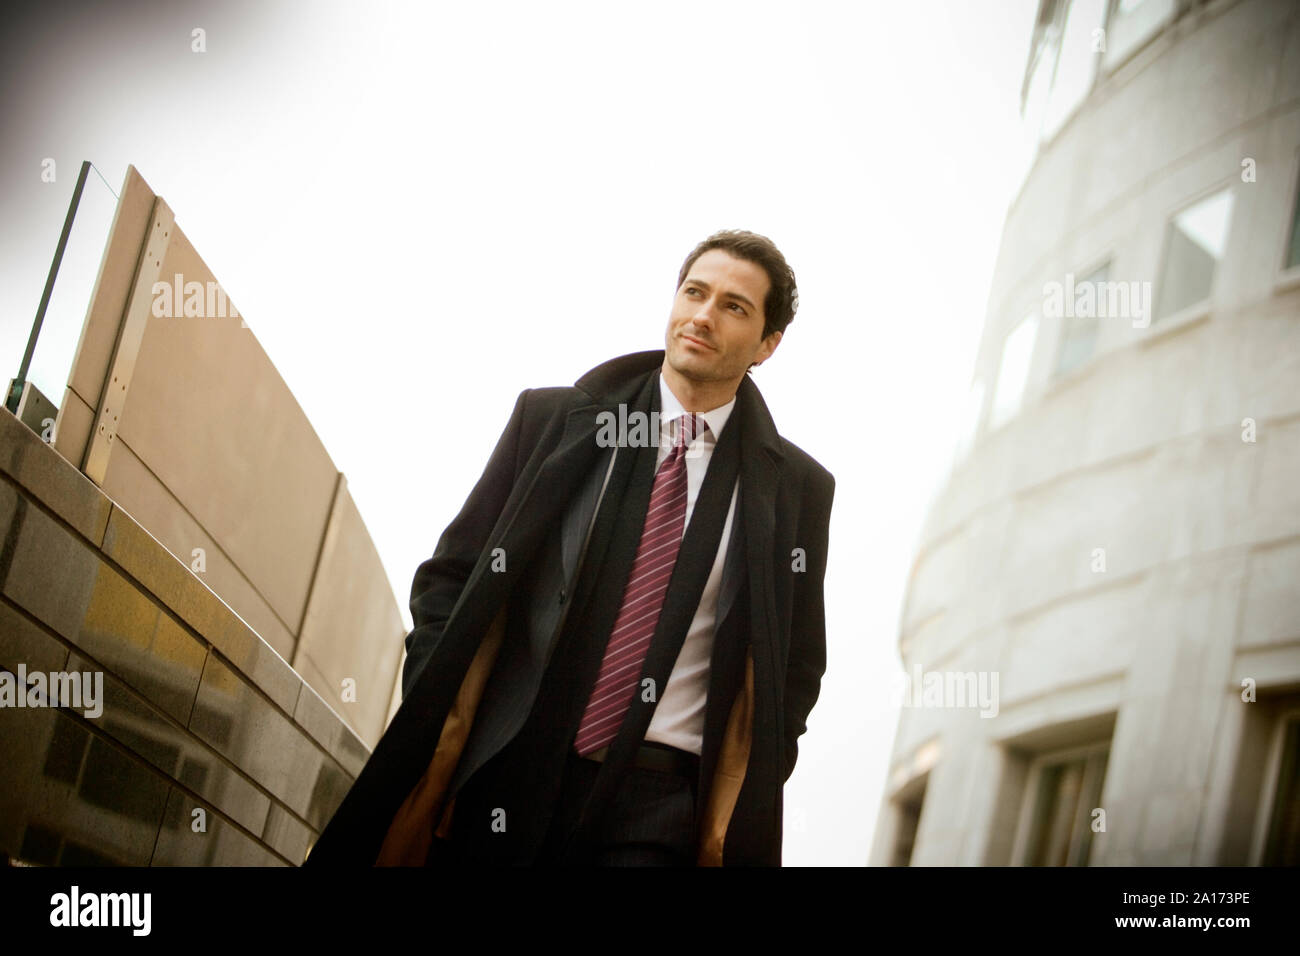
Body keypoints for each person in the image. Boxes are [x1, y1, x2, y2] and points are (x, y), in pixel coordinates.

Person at [304, 229, 834, 867]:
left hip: (659, 801)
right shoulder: (556, 420)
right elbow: (452, 576)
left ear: (768, 345)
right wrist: (438, 705)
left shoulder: (797, 491)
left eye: (734, 306)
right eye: (695, 292)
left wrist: (756, 773)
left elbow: (796, 664)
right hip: (509, 762)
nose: (703, 315)